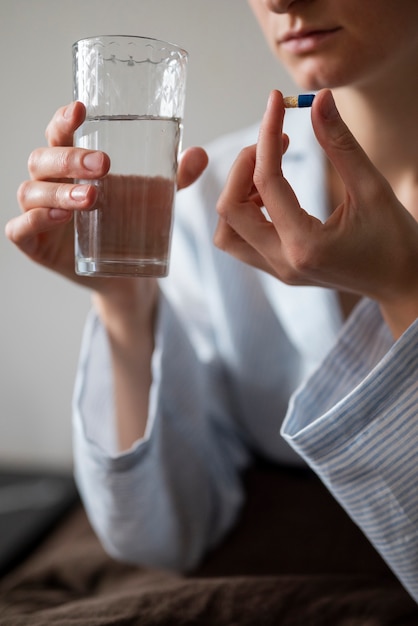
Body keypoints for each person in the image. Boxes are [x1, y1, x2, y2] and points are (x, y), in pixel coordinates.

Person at [6, 0, 418, 605]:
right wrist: (125, 301)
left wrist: (404, 289)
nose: (279, 1)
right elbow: (163, 534)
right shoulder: (218, 196)